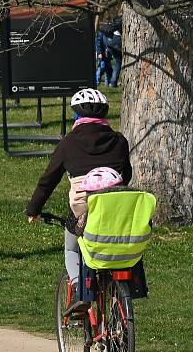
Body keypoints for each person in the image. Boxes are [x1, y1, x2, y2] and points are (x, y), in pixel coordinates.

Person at [25, 88, 132, 308]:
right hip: (115, 207)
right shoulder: (119, 141)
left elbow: (48, 180)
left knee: (72, 248)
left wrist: (34, 210)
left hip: (83, 211)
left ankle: (78, 291)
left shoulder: (68, 143)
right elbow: (126, 175)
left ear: (77, 115)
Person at [105, 16, 123, 87]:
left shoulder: (112, 23)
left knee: (116, 62)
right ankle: (113, 82)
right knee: (118, 62)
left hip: (109, 43)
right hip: (116, 43)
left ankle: (110, 82)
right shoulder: (120, 23)